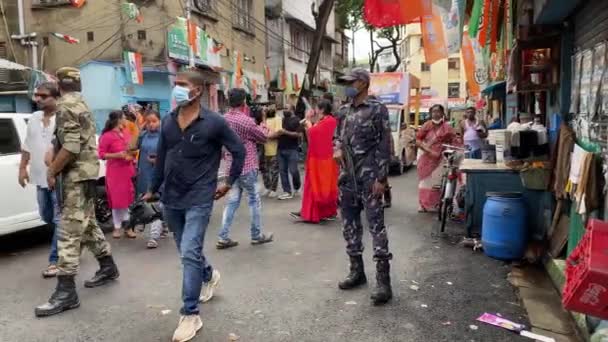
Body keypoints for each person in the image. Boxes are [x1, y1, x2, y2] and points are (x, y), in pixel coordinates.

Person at [142, 70, 246, 342]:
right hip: (171, 198)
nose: (176, 89)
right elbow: (162, 157)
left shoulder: (214, 122)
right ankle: (209, 275)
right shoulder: (167, 121)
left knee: (189, 252)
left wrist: (229, 181)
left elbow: (239, 151)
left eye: (182, 85)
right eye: (175, 84)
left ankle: (190, 314)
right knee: (186, 251)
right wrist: (153, 189)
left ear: (197, 91)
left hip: (200, 196)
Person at [36, 67, 119, 317]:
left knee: (68, 232)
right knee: (88, 225)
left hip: (75, 177)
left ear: (58, 84)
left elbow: (71, 146)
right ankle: (107, 266)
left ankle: (66, 292)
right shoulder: (81, 102)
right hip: (87, 174)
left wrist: (51, 171)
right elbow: (72, 139)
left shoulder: (64, 106)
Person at [334, 68, 393, 306]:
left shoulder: (377, 109)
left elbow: (385, 143)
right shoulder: (343, 110)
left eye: (351, 82)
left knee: (376, 226)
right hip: (347, 178)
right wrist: (336, 148)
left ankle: (383, 282)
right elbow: (336, 137)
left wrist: (381, 178)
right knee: (349, 226)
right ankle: (357, 271)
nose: (347, 85)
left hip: (370, 178)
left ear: (363, 83)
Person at [216, 88, 274, 249]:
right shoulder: (246, 121)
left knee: (232, 202)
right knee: (254, 200)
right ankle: (256, 235)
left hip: (231, 168)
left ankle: (223, 236)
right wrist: (262, 122)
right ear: (244, 102)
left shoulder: (223, 119)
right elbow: (263, 137)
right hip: (247, 166)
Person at [18, 82, 61, 278]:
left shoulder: (63, 117)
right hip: (39, 177)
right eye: (36, 95)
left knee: (59, 220)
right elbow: (27, 145)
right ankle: (71, 243)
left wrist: (55, 171)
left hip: (57, 178)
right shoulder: (34, 118)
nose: (38, 99)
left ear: (55, 97)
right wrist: (22, 168)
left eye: (43, 96)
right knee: (46, 216)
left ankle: (55, 260)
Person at [291, 99, 338, 223]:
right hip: (320, 157)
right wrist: (308, 121)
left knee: (317, 185)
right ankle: (309, 211)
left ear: (321, 109)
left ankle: (312, 213)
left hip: (321, 158)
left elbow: (313, 133)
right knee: (317, 185)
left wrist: (308, 123)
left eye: (316, 108)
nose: (315, 110)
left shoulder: (329, 121)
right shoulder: (325, 121)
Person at [98, 111, 137, 239]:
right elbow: (101, 154)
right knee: (117, 200)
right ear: (118, 120)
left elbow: (131, 149)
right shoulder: (107, 136)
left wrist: (132, 156)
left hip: (127, 170)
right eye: (124, 118)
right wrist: (117, 155)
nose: (126, 120)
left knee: (128, 199)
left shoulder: (126, 133)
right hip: (114, 172)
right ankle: (117, 227)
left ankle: (128, 227)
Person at [416, 104, 458, 212]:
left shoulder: (447, 127)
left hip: (441, 157)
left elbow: (455, 140)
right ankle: (423, 205)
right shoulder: (426, 125)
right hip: (426, 157)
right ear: (430, 113)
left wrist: (456, 149)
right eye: (433, 111)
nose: (436, 113)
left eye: (438, 111)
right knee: (425, 182)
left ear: (442, 113)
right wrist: (429, 151)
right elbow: (418, 140)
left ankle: (435, 204)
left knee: (437, 182)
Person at [135, 110, 166, 248]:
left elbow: (172, 155)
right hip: (144, 174)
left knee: (156, 204)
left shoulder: (165, 136)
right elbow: (130, 147)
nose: (151, 124)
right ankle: (162, 227)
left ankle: (153, 237)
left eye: (154, 121)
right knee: (151, 204)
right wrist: (139, 128)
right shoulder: (143, 136)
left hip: (160, 175)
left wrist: (159, 161)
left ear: (160, 121)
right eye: (148, 122)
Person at [277, 109, 302, 200]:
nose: (285, 110)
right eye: (284, 108)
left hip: (292, 149)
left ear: (292, 110)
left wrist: (285, 132)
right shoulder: (281, 120)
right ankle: (287, 191)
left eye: (287, 108)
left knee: (293, 170)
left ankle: (297, 186)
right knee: (282, 171)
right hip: (280, 148)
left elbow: (299, 134)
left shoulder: (296, 120)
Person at [261, 104, 282, 198]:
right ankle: (267, 187)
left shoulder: (277, 118)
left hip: (274, 148)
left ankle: (273, 189)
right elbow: (262, 129)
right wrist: (263, 116)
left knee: (274, 170)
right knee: (264, 169)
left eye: (272, 107)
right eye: (268, 107)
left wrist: (266, 136)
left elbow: (278, 133)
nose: (269, 109)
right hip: (264, 148)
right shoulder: (266, 119)